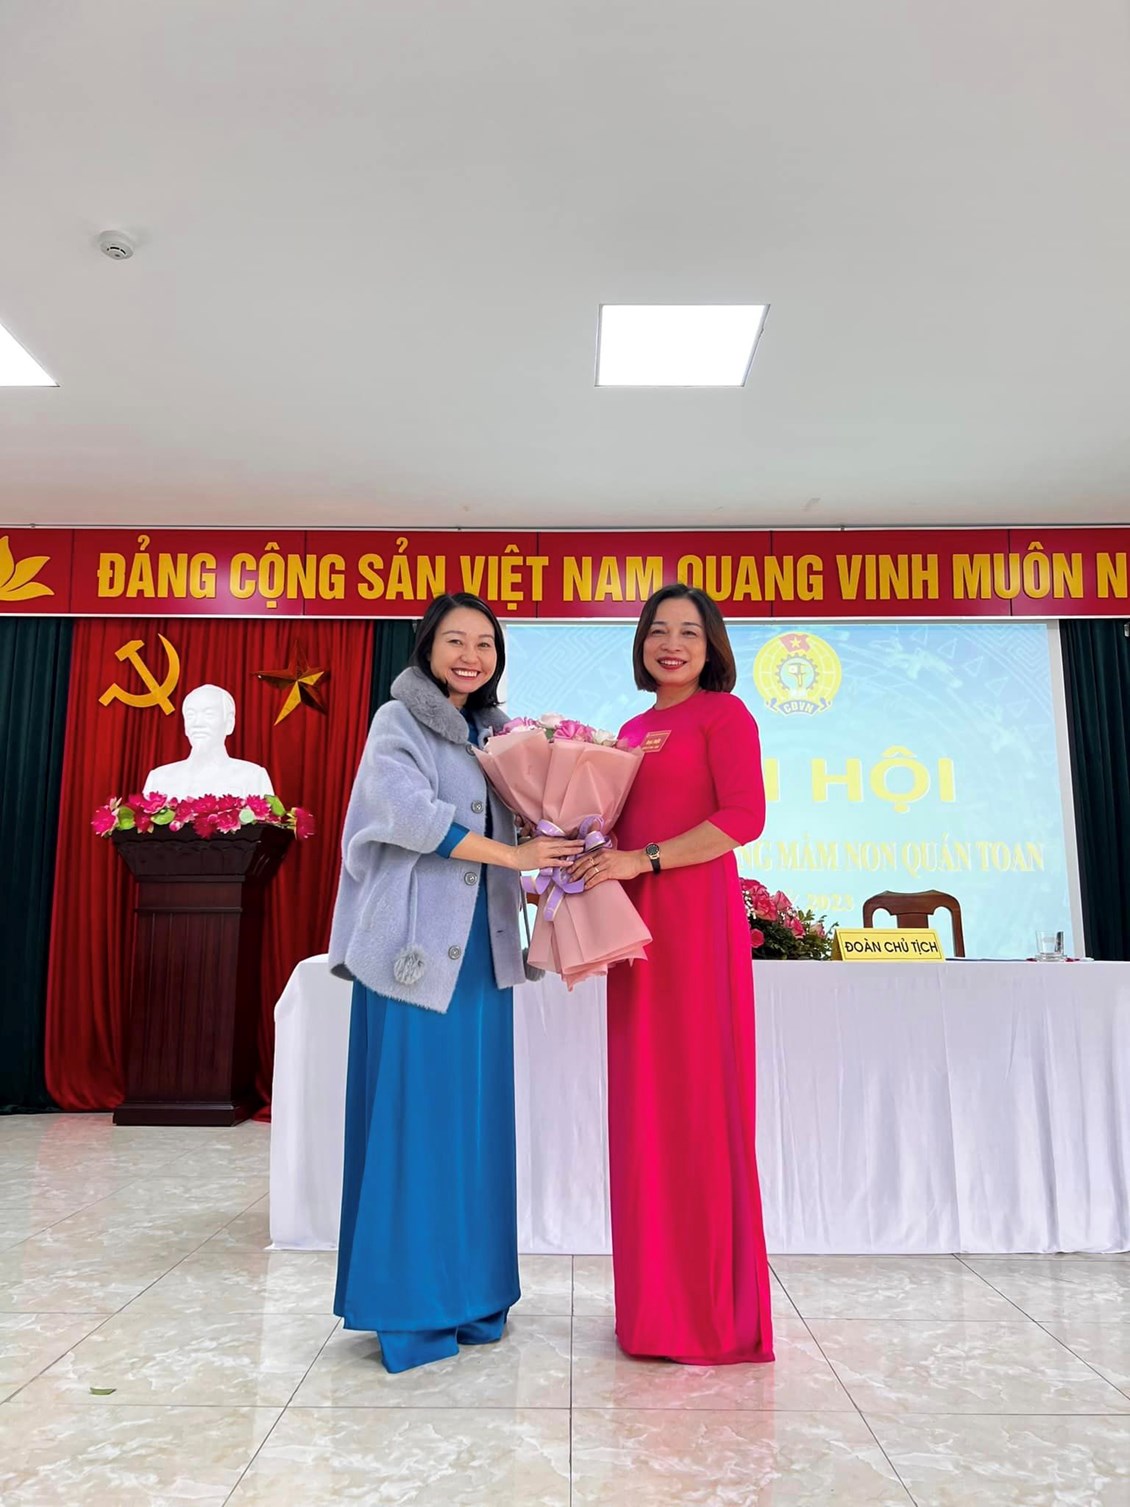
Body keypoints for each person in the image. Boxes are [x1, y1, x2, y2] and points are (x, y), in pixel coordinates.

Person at [327, 592, 582, 1374]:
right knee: (414, 1123)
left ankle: (473, 1295)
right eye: (455, 641)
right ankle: (410, 1307)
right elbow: (405, 812)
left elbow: (526, 823)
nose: (471, 656)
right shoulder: (396, 721)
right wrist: (514, 856)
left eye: (485, 644)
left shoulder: (501, 735)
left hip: (482, 954)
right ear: (427, 648)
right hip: (412, 952)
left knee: (472, 1125)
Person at [571, 583, 774, 1365]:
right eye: (660, 629)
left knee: (697, 1101)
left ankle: (709, 1314)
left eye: (689, 631)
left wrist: (643, 859)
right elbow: (612, 833)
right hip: (636, 934)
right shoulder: (629, 731)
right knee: (644, 1109)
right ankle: (652, 1311)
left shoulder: (726, 715)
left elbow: (744, 817)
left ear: (711, 643)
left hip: (694, 927)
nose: (672, 643)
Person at [144, 684, 274, 797]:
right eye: (191, 715)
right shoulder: (159, 779)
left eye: (209, 714)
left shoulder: (253, 777)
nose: (197, 723)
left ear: (229, 723)